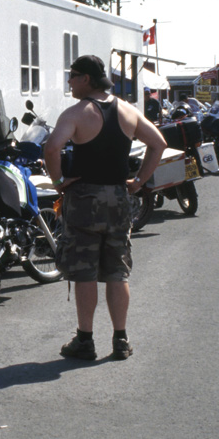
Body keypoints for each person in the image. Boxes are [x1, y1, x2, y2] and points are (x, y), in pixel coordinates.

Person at [44, 55, 167, 362]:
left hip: (84, 200)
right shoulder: (127, 111)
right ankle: (120, 339)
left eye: (73, 76)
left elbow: (51, 147)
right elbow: (159, 143)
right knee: (117, 271)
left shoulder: (76, 112)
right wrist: (138, 182)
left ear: (86, 79)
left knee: (84, 272)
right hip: (119, 199)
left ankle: (85, 340)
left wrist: (58, 181)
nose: (70, 82)